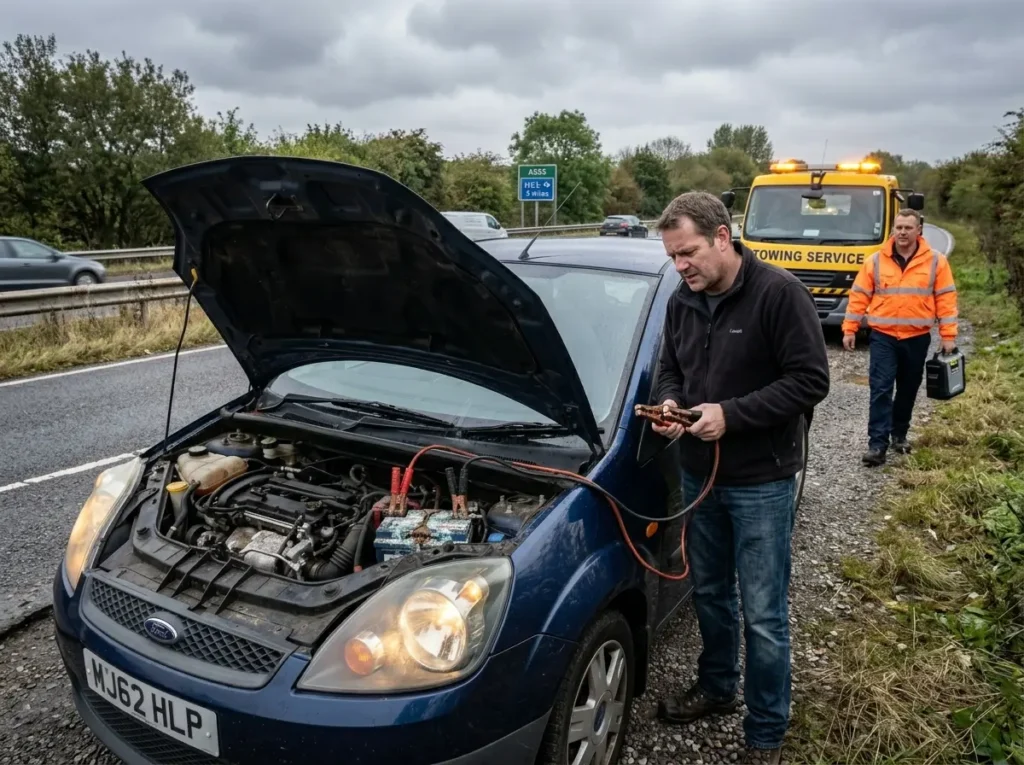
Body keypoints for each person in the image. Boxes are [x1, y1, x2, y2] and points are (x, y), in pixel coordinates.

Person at [650, 191, 831, 764]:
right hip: (700, 476)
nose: (681, 267)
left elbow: (809, 381)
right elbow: (668, 369)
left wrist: (730, 415)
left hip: (761, 483)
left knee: (764, 610)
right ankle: (718, 687)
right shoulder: (683, 300)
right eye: (674, 257)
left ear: (723, 237)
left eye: (689, 253)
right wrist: (671, 406)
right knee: (709, 594)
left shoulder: (779, 294)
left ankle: (767, 730)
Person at [841, 208, 958, 466]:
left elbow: (946, 299)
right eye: (899, 227)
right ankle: (877, 444)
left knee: (908, 388)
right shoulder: (875, 261)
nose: (902, 232)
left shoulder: (936, 261)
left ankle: (899, 434)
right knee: (881, 389)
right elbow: (859, 295)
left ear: (919, 231)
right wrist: (850, 328)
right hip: (883, 337)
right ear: (893, 229)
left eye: (908, 228)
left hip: (917, 338)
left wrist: (948, 335)